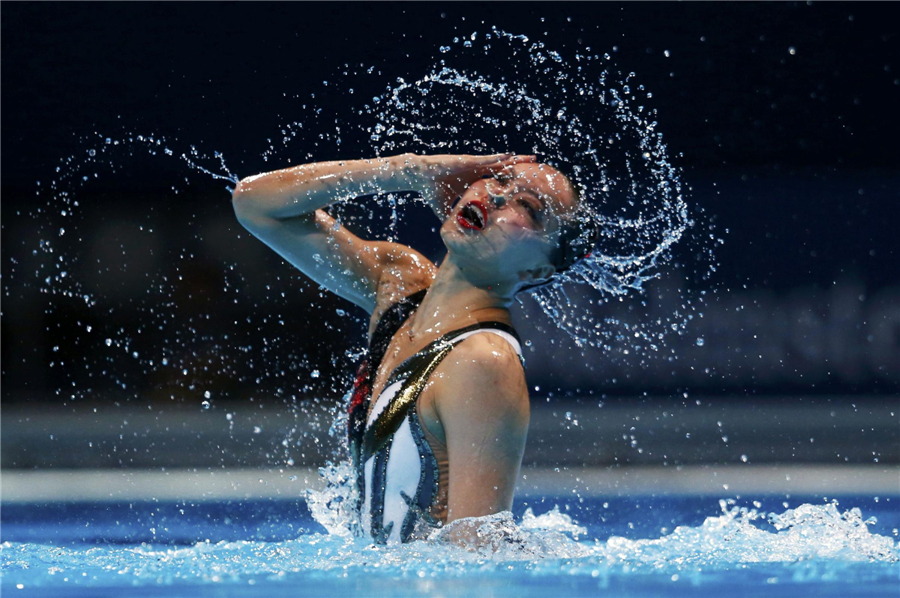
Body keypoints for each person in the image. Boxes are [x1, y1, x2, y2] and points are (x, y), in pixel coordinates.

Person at [231, 153, 589, 544]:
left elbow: (476, 556)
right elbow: (255, 203)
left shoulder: (483, 360)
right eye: (499, 180)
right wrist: (412, 171)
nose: (499, 198)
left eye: (528, 207)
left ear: (537, 271)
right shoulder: (398, 285)